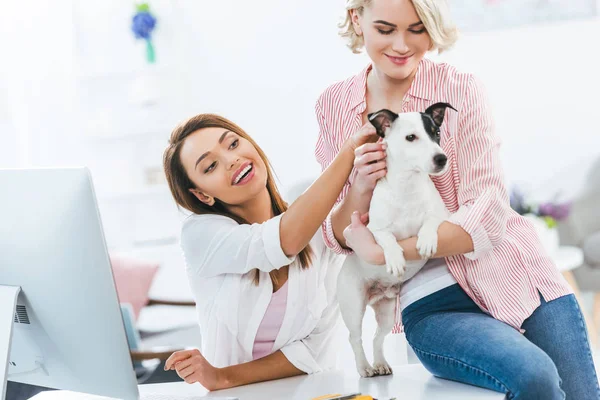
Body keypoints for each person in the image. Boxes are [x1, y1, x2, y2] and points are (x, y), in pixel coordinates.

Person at [315, 0, 600, 398]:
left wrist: (391, 250)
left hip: (515, 274)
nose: (402, 44)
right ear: (356, 19)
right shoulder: (334, 107)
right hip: (431, 302)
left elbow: (488, 212)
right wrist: (361, 185)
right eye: (385, 29)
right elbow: (338, 233)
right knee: (535, 378)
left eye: (417, 29)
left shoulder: (459, 89)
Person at [161, 113, 378, 390]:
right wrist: (349, 150)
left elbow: (314, 351)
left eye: (233, 144)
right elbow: (280, 240)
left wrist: (364, 170)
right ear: (203, 195)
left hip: (311, 392)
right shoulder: (201, 235)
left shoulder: (309, 228)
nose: (232, 160)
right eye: (211, 165)